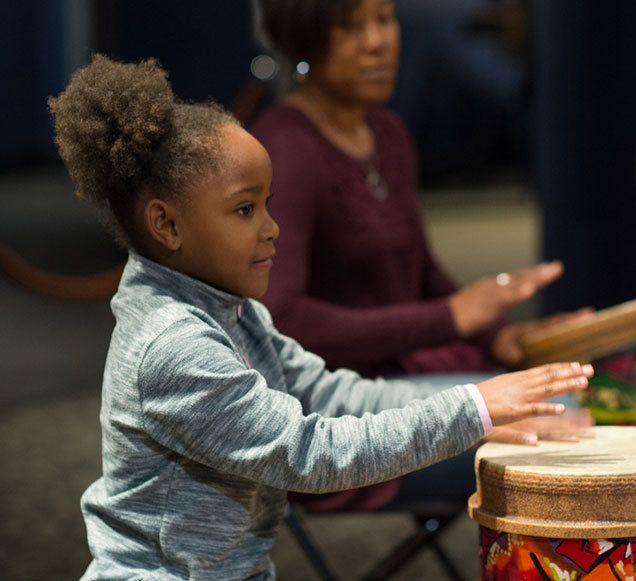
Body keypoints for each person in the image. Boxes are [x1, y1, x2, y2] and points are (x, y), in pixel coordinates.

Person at [48, 53, 593, 579]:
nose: (272, 227)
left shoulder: (231, 311)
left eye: (268, 204)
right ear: (167, 226)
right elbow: (311, 453)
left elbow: (336, 394)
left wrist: (488, 396)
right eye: (245, 209)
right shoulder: (174, 346)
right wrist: (472, 410)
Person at [250, 0, 591, 511]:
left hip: (409, 374)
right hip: (341, 415)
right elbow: (282, 321)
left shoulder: (388, 133)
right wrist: (448, 318)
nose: (377, 41)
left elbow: (425, 275)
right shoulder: (287, 146)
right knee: (565, 418)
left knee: (579, 394)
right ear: (303, 41)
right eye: (350, 26)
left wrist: (502, 336)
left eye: (385, 19)